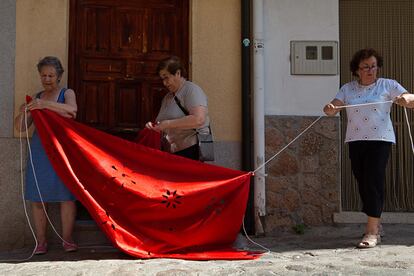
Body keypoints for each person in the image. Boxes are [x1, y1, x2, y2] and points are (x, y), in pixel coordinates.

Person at [323, 48, 414, 248]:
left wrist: (407, 99)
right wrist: (330, 108)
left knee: (373, 181)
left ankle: (371, 232)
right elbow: (333, 106)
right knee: (363, 183)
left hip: (380, 139)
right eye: (366, 67)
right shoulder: (347, 88)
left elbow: (410, 99)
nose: (371, 70)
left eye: (373, 66)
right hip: (355, 140)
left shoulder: (387, 85)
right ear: (357, 70)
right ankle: (376, 222)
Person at [14, 56, 78, 254]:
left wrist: (44, 105)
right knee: (37, 198)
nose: (47, 79)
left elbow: (72, 111)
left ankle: (67, 240)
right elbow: (20, 128)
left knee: (66, 197)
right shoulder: (37, 97)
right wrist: (25, 110)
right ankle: (40, 242)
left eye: (51, 75)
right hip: (40, 151)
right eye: (44, 75)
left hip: (62, 149)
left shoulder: (67, 93)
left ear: (59, 76)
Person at [145, 56, 210, 161]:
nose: (164, 83)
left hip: (191, 150)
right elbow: (162, 121)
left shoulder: (191, 90)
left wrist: (168, 124)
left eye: (166, 77)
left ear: (178, 73)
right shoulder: (168, 97)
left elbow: (199, 119)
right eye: (162, 79)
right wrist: (153, 126)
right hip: (173, 152)